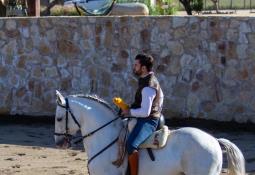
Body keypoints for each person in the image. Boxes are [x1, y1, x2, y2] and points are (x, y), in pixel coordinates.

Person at [122, 53, 164, 175]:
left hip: (148, 121)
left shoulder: (148, 86)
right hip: (147, 117)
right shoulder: (146, 80)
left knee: (130, 145)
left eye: (136, 65)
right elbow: (161, 96)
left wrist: (129, 112)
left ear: (143, 68)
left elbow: (145, 112)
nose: (134, 67)